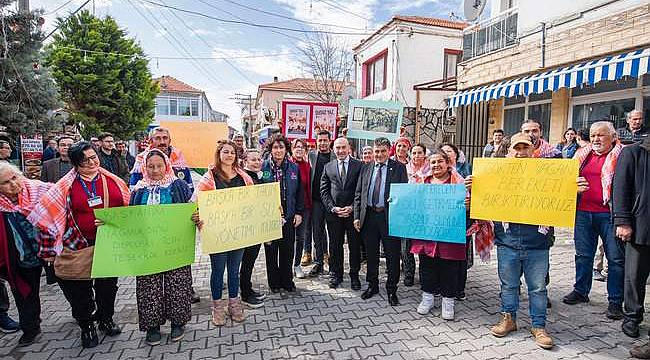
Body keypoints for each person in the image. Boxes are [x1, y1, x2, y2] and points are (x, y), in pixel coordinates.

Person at [478, 132, 579, 350]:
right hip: (507, 240)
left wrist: (575, 191)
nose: (521, 152)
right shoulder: (495, 174)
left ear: (533, 151)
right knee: (508, 285)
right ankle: (509, 319)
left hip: (537, 243)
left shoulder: (549, 174)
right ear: (509, 152)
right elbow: (481, 199)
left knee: (538, 288)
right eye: (517, 148)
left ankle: (538, 326)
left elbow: (564, 201)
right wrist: (473, 187)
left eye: (525, 148)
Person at [29, 141, 130, 348]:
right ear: (75, 164)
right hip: (77, 246)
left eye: (94, 157)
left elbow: (126, 210)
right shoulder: (64, 187)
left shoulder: (114, 181)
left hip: (107, 244)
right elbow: (49, 217)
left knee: (107, 288)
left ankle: (105, 319)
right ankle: (87, 326)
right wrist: (49, 251)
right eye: (85, 161)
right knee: (79, 292)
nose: (92, 162)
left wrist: (115, 221)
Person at [124, 149, 194, 345]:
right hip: (147, 248)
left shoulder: (178, 185)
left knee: (177, 283)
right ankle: (152, 326)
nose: (155, 170)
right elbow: (130, 217)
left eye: (159, 166)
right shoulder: (138, 190)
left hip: (175, 246)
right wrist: (109, 225)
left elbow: (190, 209)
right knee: (148, 286)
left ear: (167, 166)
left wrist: (195, 217)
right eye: (151, 166)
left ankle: (178, 323)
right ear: (145, 168)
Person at [562, 122, 625, 321]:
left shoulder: (623, 156)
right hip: (583, 212)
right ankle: (581, 291)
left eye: (601, 135)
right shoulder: (582, 155)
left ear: (613, 137)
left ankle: (615, 301)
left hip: (609, 214)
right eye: (593, 135)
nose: (596, 139)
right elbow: (565, 178)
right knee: (583, 255)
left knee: (615, 259)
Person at [192, 140, 255, 326]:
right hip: (217, 233)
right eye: (225, 152)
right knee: (218, 270)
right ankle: (217, 307)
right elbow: (195, 202)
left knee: (234, 270)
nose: (229, 155)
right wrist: (197, 216)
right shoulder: (209, 178)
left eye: (232, 153)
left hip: (238, 232)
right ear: (218, 155)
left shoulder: (245, 178)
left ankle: (234, 305)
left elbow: (253, 202)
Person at [0, 163, 52, 346]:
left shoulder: (40, 189)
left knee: (71, 287)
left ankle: (83, 318)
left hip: (50, 251)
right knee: (25, 295)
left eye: (15, 177)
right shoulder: (1, 206)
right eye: (6, 182)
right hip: (22, 258)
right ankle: (30, 328)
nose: (13, 184)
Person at [412, 149, 466, 320]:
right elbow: (412, 202)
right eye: (433, 162)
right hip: (427, 234)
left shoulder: (458, 182)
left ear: (447, 163)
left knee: (449, 269)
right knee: (427, 267)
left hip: (449, 234)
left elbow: (469, 206)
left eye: (439, 161)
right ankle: (427, 299)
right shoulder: (422, 182)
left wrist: (468, 202)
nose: (436, 165)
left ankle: (448, 302)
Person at [353, 137, 408, 306]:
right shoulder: (366, 167)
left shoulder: (399, 168)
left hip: (389, 217)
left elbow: (404, 194)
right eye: (377, 151)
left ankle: (392, 289)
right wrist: (356, 216)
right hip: (369, 216)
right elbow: (359, 193)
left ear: (389, 151)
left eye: (383, 151)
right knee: (371, 254)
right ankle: (373, 285)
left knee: (392, 255)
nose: (379, 154)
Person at [613, 134, 650, 358]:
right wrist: (623, 221)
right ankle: (632, 317)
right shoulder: (633, 152)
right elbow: (621, 188)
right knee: (634, 277)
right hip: (641, 227)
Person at [261, 134, 304, 293]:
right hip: (269, 218)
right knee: (271, 252)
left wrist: (299, 213)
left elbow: (300, 192)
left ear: (286, 150)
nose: (278, 150)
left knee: (287, 251)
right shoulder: (263, 167)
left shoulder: (294, 168)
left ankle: (287, 281)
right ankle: (274, 283)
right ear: (270, 150)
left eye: (281, 147)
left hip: (289, 216)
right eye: (275, 147)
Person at [320, 137, 363, 290]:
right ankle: (335, 274)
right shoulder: (328, 167)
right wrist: (333, 208)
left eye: (343, 147)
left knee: (354, 246)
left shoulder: (359, 165)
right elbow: (324, 191)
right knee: (335, 245)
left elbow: (362, 190)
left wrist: (352, 207)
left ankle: (354, 275)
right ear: (334, 149)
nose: (341, 151)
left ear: (349, 148)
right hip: (334, 215)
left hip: (353, 214)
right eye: (337, 148)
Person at [239, 149, 266, 309]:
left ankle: (248, 289)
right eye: (253, 160)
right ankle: (245, 294)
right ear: (245, 162)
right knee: (246, 261)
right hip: (246, 228)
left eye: (259, 159)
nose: (257, 162)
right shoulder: (244, 178)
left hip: (257, 227)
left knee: (251, 261)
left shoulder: (258, 177)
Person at [130, 127, 194, 193]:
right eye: (157, 138)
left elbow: (189, 189)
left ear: (169, 141)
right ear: (150, 141)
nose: (162, 142)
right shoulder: (141, 161)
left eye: (165, 138)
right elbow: (133, 190)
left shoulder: (179, 159)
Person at [307, 130, 335, 277]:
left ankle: (333, 263)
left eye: (325, 140)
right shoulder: (311, 155)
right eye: (320, 140)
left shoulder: (335, 155)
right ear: (316, 141)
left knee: (332, 233)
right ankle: (318, 262)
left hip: (331, 202)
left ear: (330, 141)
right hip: (316, 201)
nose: (323, 143)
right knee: (317, 233)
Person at [291, 139, 312, 275]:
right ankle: (287, 266)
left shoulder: (307, 166)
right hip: (289, 208)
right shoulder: (288, 165)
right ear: (292, 149)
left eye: (302, 147)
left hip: (304, 208)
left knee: (300, 238)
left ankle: (297, 265)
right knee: (288, 239)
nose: (299, 149)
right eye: (296, 147)